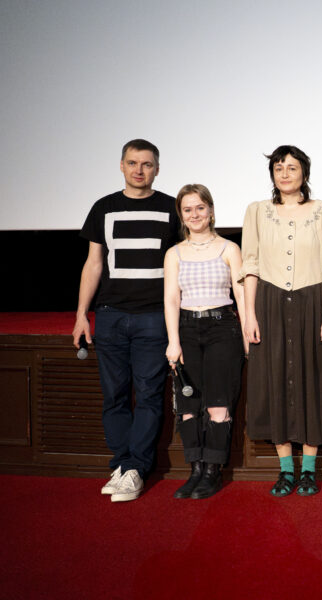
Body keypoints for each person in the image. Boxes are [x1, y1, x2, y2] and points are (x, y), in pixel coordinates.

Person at [73, 139, 179, 502]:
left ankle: (135, 469)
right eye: (132, 163)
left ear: (157, 169)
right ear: (121, 165)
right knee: (114, 396)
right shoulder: (104, 207)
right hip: (111, 316)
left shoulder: (170, 208)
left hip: (154, 317)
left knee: (149, 395)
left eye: (147, 164)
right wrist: (81, 315)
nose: (139, 170)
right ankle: (121, 465)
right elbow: (93, 264)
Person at [240, 145, 322, 497]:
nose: (285, 173)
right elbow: (250, 266)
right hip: (269, 304)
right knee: (274, 380)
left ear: (305, 173)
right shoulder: (256, 211)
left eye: (292, 167)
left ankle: (309, 470)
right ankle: (285, 470)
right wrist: (250, 315)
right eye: (279, 168)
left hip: (313, 302)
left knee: (314, 378)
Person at [163, 184, 246, 499]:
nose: (195, 214)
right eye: (188, 209)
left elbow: (240, 295)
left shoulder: (229, 248)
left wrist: (247, 332)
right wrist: (173, 342)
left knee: (217, 404)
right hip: (186, 329)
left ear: (210, 210)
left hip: (222, 328)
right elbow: (171, 299)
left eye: (200, 207)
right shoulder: (174, 253)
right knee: (188, 405)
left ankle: (212, 471)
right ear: (181, 215)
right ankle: (195, 469)